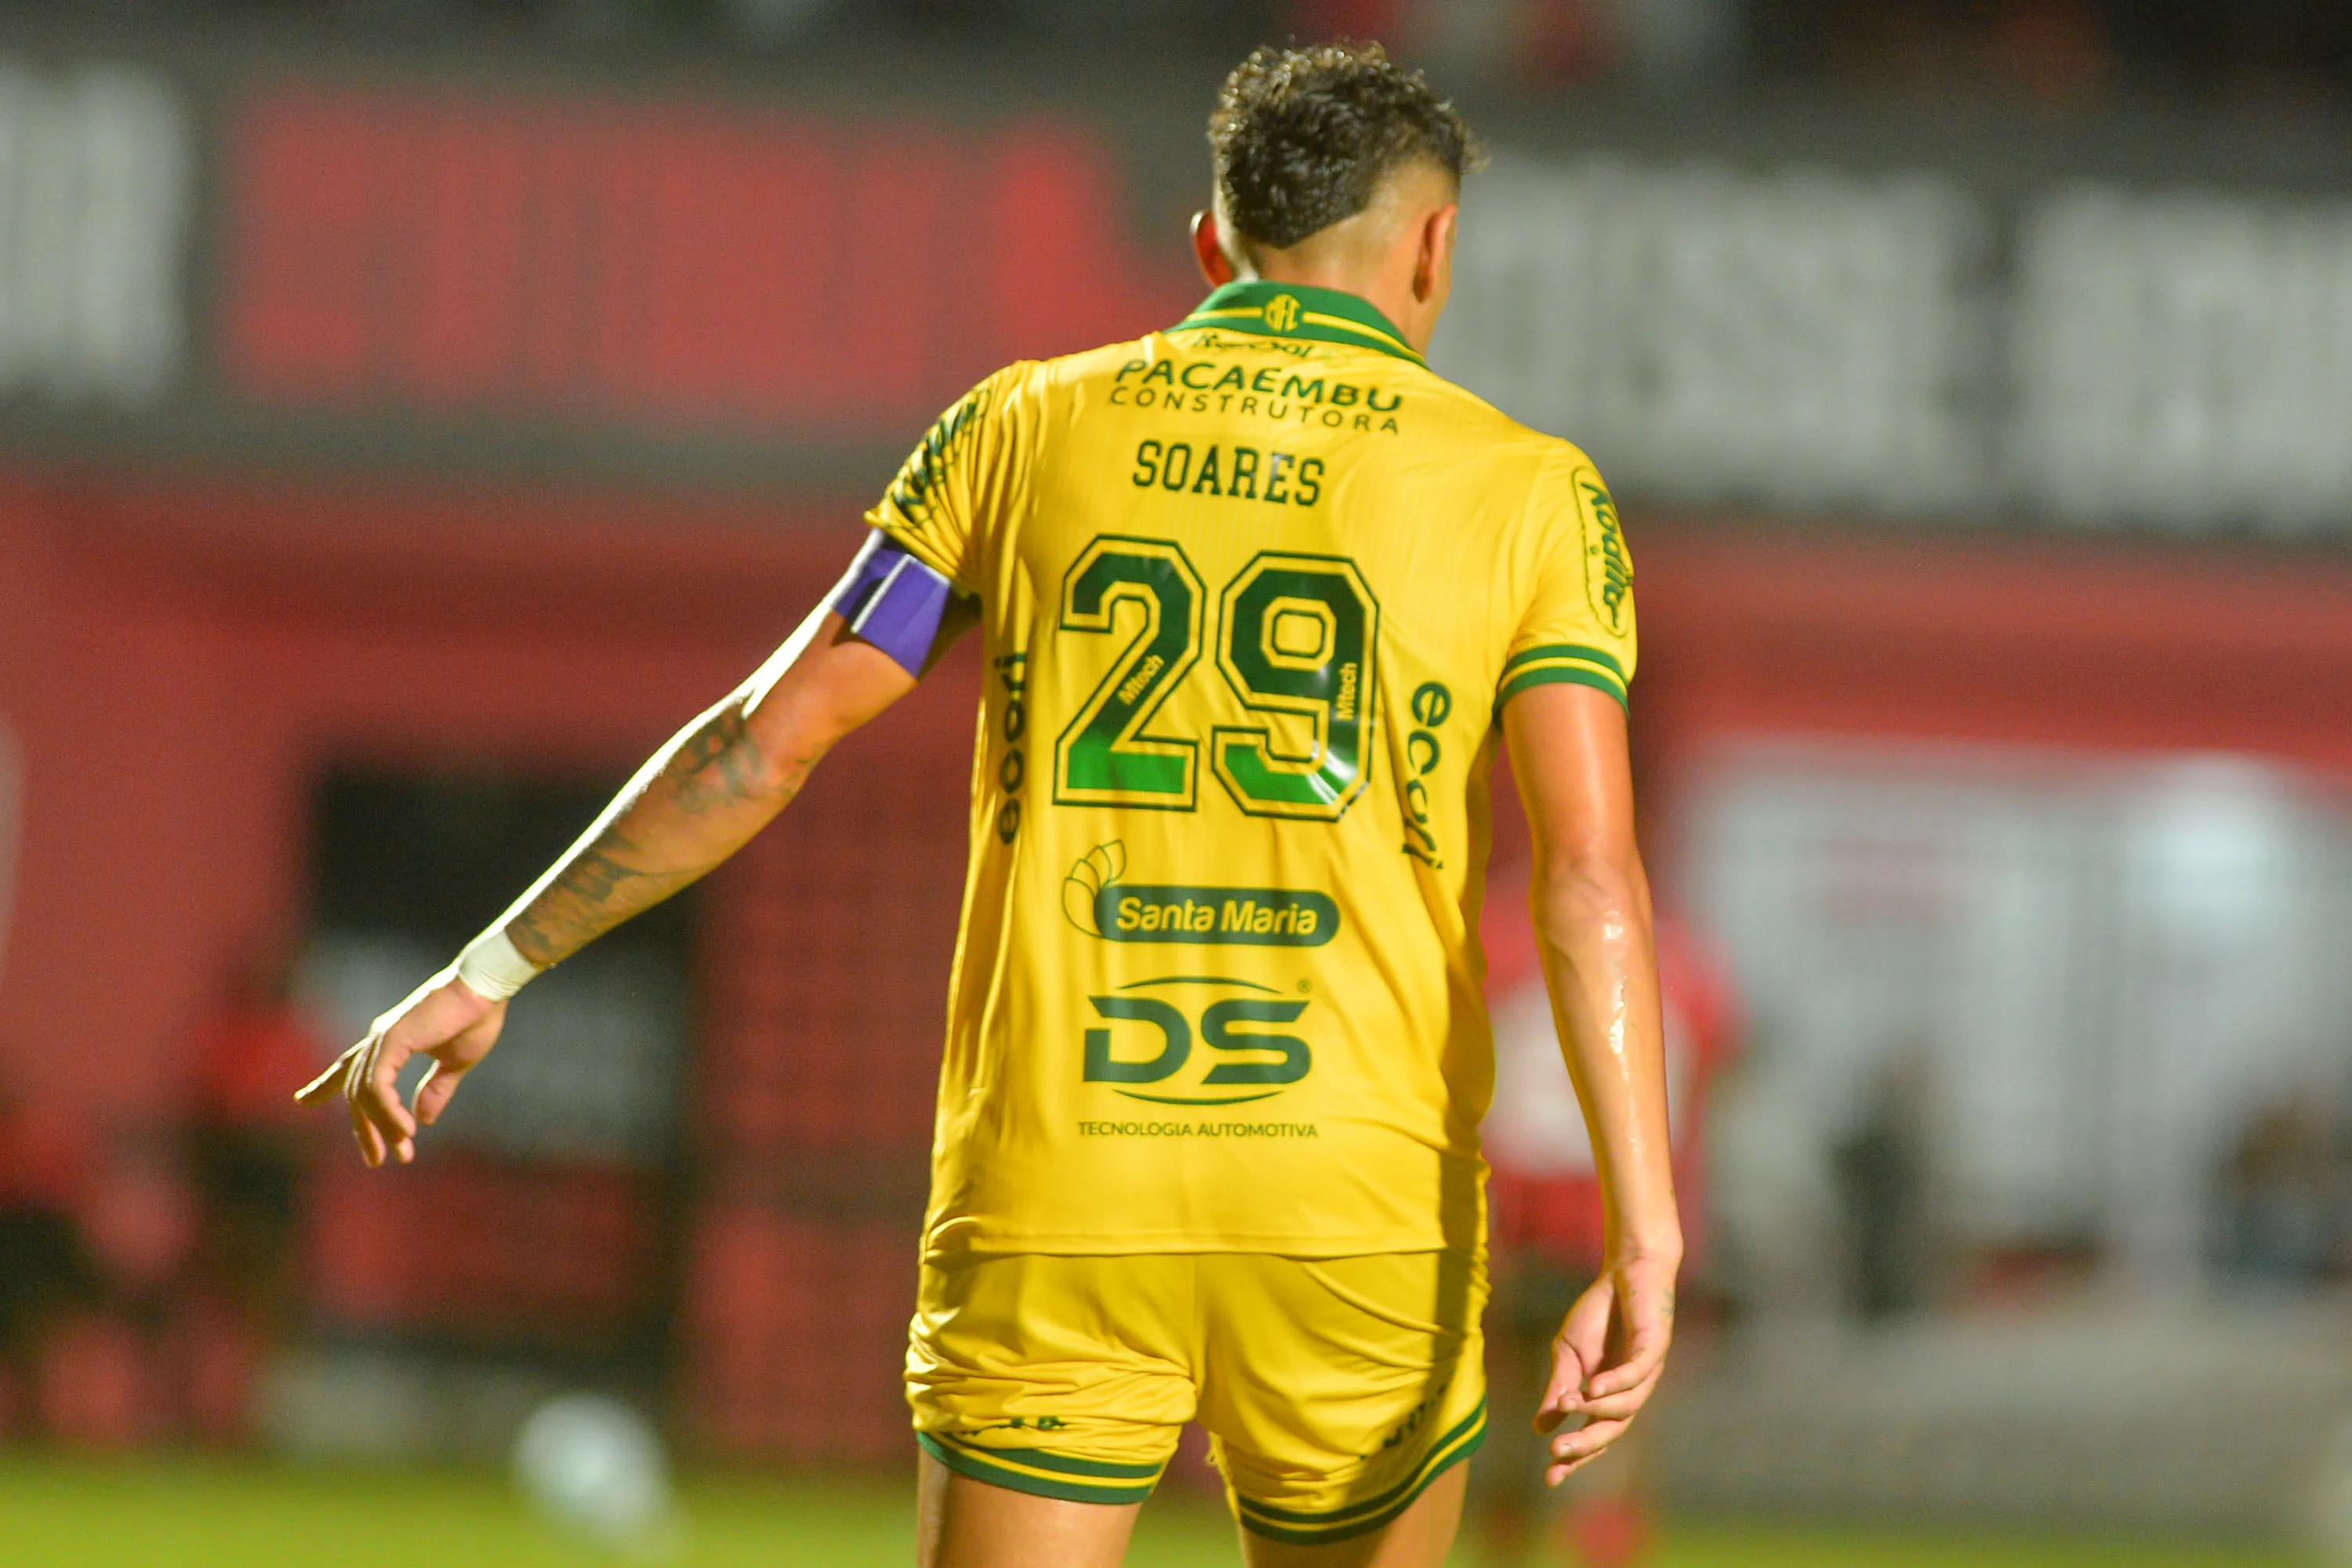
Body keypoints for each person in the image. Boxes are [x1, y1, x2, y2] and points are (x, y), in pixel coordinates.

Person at [299, 41, 1679, 1568]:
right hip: (1355, 1198)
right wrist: (1647, 1230)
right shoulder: (1529, 492)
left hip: (1063, 1175)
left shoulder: (1020, 429)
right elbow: (1589, 884)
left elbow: (760, 745)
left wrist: (492, 965)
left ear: (1211, 244)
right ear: (1434, 247)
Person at [1475, 887, 1734, 1567]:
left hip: (1518, 1226)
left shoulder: (1497, 941)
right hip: (1625, 1227)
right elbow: (1705, 1092)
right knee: (1615, 1436)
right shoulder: (1679, 957)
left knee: (1512, 1431)